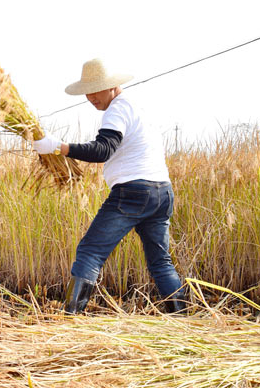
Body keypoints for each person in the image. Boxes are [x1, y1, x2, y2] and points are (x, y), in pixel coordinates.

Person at [32, 59, 188, 314]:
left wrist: (59, 147)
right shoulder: (137, 107)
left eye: (96, 89)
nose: (91, 97)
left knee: (90, 251)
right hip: (162, 192)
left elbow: (103, 150)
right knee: (160, 261)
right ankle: (183, 318)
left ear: (113, 86)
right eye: (87, 91)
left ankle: (70, 321)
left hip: (133, 193)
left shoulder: (117, 109)